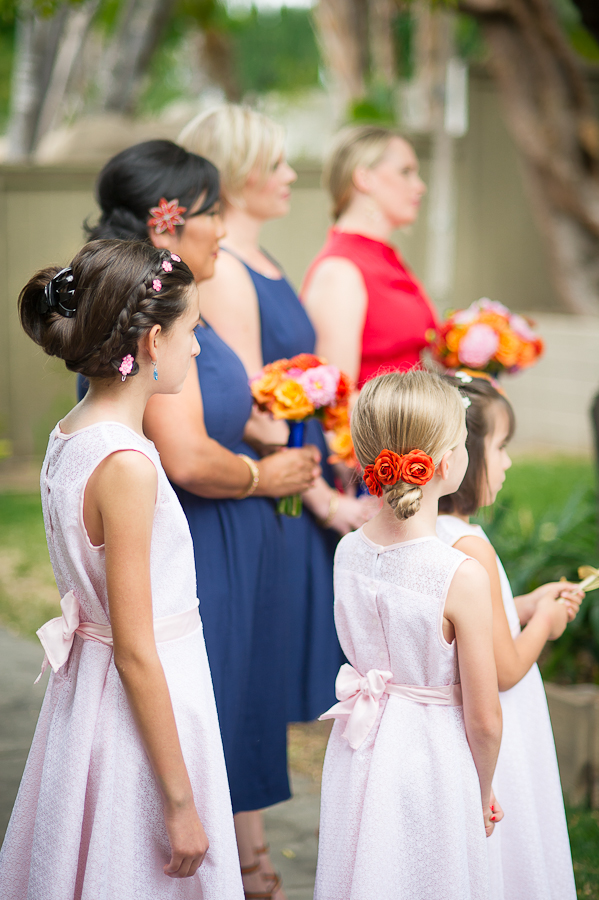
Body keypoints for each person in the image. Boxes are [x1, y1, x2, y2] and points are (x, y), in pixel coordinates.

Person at [84, 140, 319, 900]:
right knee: (201, 723)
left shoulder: (181, 295)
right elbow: (183, 455)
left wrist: (248, 426)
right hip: (201, 547)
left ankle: (243, 867)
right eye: (213, 211)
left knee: (233, 720)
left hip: (229, 538)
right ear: (171, 222)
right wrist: (262, 474)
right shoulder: (151, 310)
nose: (224, 227)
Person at [0, 239, 243, 899]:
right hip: (133, 714)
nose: (198, 347)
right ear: (156, 341)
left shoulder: (70, 434)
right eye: (193, 330)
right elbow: (136, 650)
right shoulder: (126, 465)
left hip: (88, 699)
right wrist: (179, 801)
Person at [179, 105, 374, 731]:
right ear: (237, 177)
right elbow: (255, 408)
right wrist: (323, 501)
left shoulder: (262, 261)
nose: (291, 174)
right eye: (275, 163)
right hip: (276, 494)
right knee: (257, 681)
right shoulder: (228, 274)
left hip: (297, 480)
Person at [314, 369, 503, 900]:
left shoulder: (348, 550)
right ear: (446, 464)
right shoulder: (458, 575)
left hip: (361, 750)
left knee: (368, 871)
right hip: (433, 761)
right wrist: (483, 787)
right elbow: (484, 720)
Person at [437, 371, 581, 900]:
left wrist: (525, 603)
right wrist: (545, 623)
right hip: (496, 724)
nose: (510, 461)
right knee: (511, 850)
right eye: (501, 446)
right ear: (466, 456)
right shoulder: (470, 546)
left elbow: (470, 624)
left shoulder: (437, 533)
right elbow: (501, 669)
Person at [302, 125, 438, 389]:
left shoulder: (386, 258)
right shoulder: (340, 271)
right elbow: (338, 399)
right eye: (405, 172)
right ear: (364, 178)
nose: (419, 187)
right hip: (376, 428)